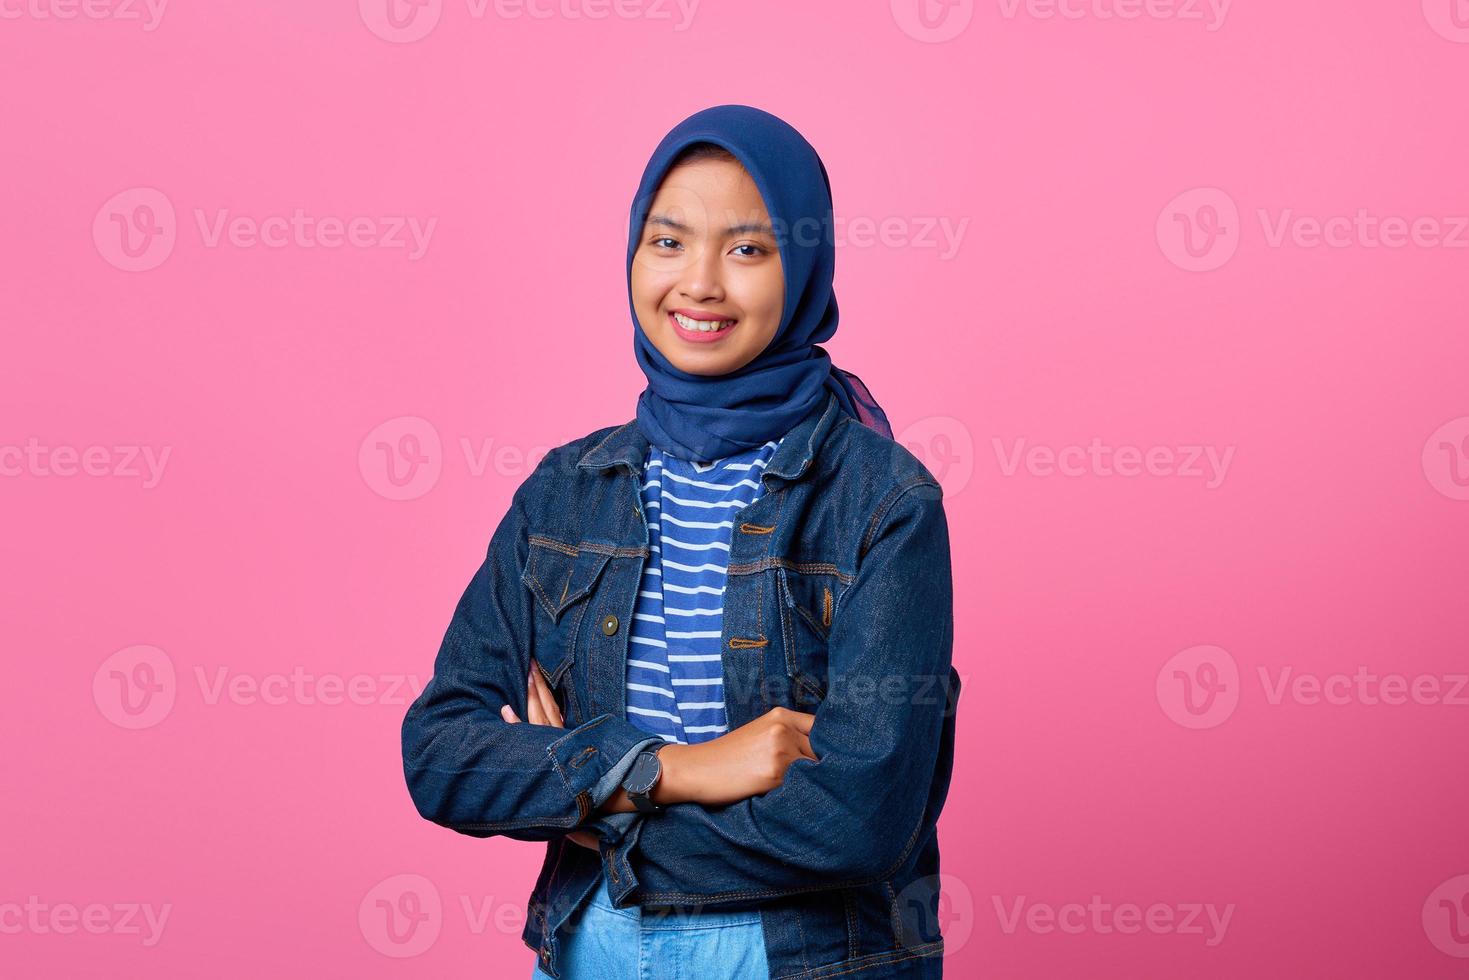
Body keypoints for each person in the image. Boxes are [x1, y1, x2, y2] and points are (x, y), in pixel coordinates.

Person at [401, 104, 959, 980]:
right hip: (591, 949)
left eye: (745, 249)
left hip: (799, 958)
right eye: (667, 243)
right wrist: (675, 770)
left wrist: (588, 799)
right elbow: (441, 754)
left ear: (803, 267)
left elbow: (861, 817)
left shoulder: (882, 501)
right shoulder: (565, 492)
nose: (698, 283)